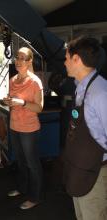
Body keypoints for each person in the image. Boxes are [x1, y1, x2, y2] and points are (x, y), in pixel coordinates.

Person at [63, 36, 107, 220]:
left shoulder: (100, 93)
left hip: (95, 172)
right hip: (79, 169)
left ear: (76, 59)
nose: (64, 63)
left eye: (66, 58)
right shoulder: (80, 87)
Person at [3, 47, 44, 210]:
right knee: (20, 162)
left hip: (29, 129)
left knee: (32, 164)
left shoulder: (35, 82)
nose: (18, 61)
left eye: (22, 58)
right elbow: (13, 100)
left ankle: (35, 197)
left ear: (29, 61)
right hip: (14, 126)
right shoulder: (13, 80)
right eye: (17, 57)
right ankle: (22, 188)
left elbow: (39, 108)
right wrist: (8, 101)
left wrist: (23, 103)